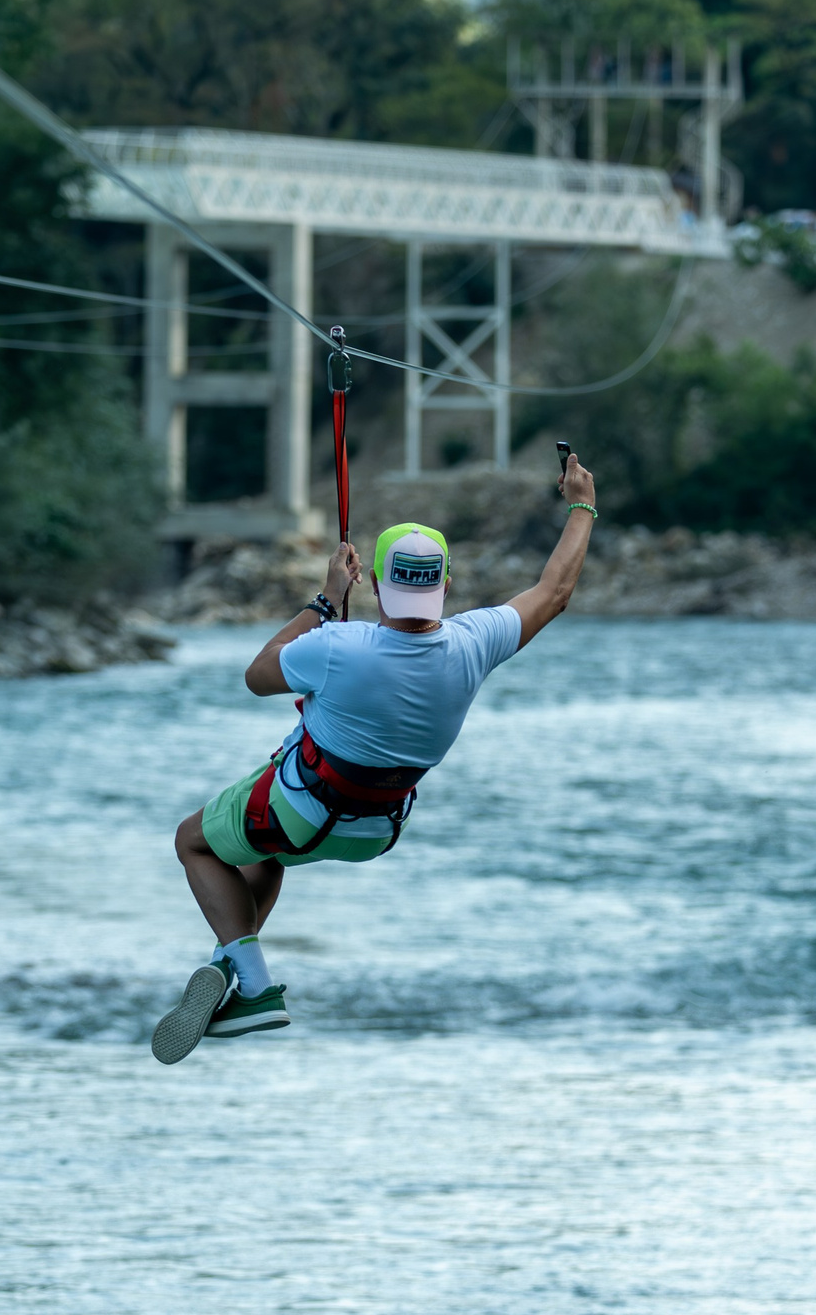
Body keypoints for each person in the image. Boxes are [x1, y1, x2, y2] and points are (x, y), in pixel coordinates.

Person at [152, 452, 600, 1064]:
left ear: (379, 585)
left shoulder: (338, 643)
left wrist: (327, 599)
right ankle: (229, 960)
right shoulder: (475, 642)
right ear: (445, 587)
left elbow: (258, 675)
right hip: (376, 830)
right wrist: (581, 504)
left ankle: (253, 985)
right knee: (268, 856)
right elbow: (555, 591)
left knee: (195, 843)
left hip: (304, 808)